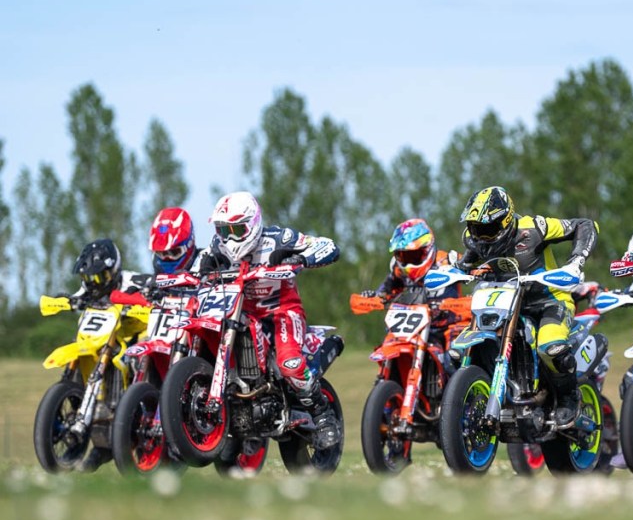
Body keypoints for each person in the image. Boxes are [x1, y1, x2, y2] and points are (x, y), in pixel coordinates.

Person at [198, 191, 342, 449]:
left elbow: (328, 246)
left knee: (290, 364)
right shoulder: (216, 247)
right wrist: (202, 274)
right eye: (223, 230)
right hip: (239, 314)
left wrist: (301, 259)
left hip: (282, 312)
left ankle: (323, 416)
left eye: (236, 229)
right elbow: (200, 270)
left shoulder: (278, 239)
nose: (229, 238)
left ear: (253, 224)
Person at [457, 185, 598, 428]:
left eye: (487, 229)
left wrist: (576, 261)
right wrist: (453, 270)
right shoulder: (476, 241)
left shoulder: (534, 228)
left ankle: (569, 397)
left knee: (550, 347)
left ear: (505, 221)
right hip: (506, 304)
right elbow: (464, 266)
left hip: (549, 301)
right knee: (461, 347)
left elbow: (585, 225)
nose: (481, 236)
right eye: (475, 228)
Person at [66, 238, 152, 470]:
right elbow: (78, 296)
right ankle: (95, 435)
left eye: (99, 277)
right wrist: (68, 301)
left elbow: (154, 288)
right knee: (80, 356)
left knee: (141, 356)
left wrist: (146, 296)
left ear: (114, 270)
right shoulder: (89, 285)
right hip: (100, 337)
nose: (94, 283)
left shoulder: (132, 280)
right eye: (89, 278)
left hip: (132, 333)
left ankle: (142, 411)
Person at [361, 218, 465, 357]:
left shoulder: (448, 261)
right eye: (403, 256)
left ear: (427, 249)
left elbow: (478, 271)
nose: (409, 262)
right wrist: (374, 297)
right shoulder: (398, 269)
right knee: (387, 345)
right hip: (414, 327)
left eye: (414, 255)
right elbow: (386, 291)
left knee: (456, 354)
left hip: (449, 324)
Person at [149, 207, 199, 274]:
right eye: (162, 253)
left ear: (189, 245)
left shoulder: (206, 264)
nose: (168, 259)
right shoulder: (155, 265)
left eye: (175, 252)